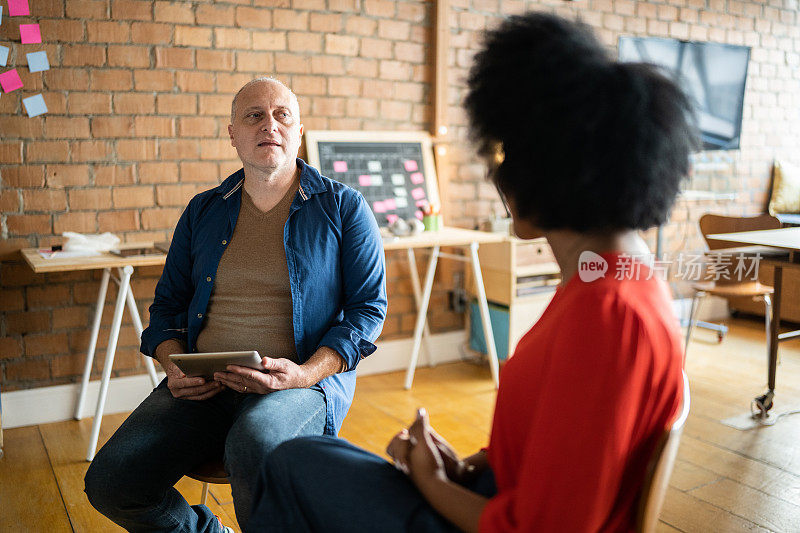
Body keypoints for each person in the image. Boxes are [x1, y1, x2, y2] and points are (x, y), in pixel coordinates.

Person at [247, 12, 694, 533]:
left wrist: (435, 485)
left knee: (288, 466)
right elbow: (565, 444)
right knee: (305, 458)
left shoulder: (608, 315)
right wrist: (466, 467)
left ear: (547, 169)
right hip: (495, 490)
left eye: (504, 154)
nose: (498, 175)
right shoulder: (614, 279)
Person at [83, 77, 387, 532]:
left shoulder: (344, 208)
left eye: (282, 114)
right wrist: (174, 365)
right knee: (111, 481)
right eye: (254, 116)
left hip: (297, 385)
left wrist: (304, 374)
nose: (270, 125)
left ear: (299, 131)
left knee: (255, 441)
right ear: (232, 134)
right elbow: (166, 306)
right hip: (205, 385)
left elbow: (368, 309)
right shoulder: (203, 211)